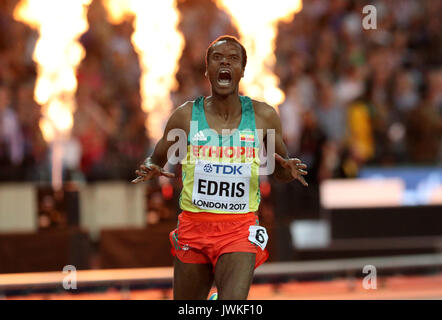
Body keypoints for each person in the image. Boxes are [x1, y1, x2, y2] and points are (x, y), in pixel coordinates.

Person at [132, 35, 308, 300]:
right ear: (207, 70)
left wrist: (289, 170)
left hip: (239, 228)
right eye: (217, 58)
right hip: (194, 227)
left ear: (242, 71)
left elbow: (280, 171)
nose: (225, 62)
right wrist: (150, 167)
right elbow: (156, 157)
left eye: (233, 58)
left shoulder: (263, 116)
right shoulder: (185, 115)